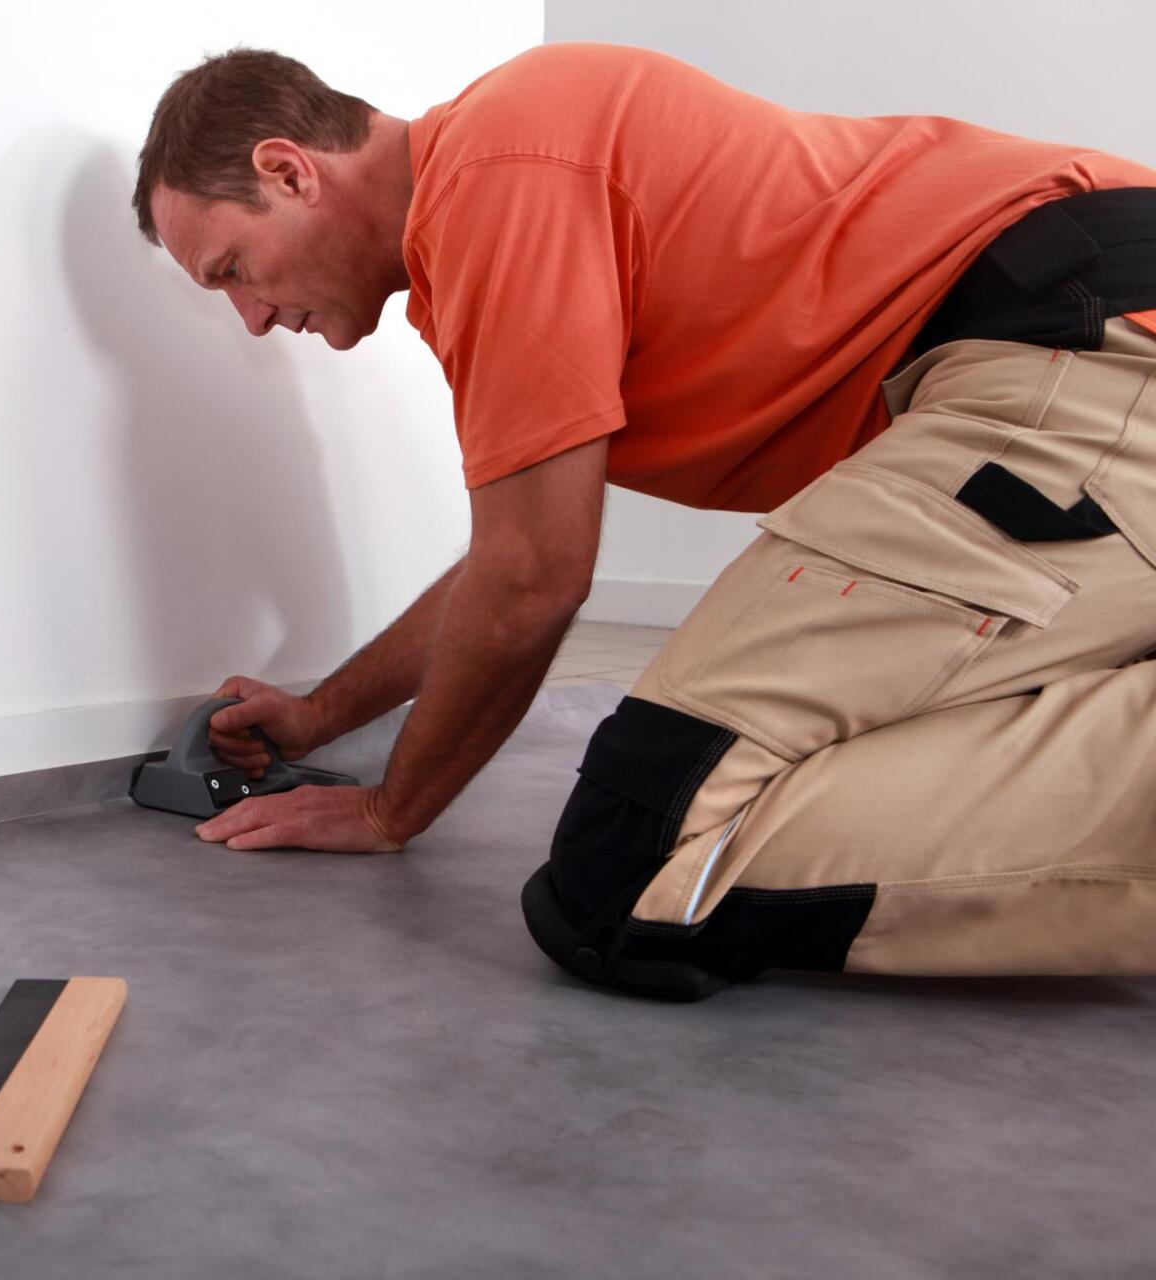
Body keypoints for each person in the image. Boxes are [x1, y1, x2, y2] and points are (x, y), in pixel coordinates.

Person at [130, 41, 1156, 999]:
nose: (254, 320)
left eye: (232, 270)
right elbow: (512, 553)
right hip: (1062, 362)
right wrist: (322, 715)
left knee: (638, 865)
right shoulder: (496, 185)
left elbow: (536, 575)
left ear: (289, 171)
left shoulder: (497, 169)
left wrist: (389, 806)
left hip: (1079, 351)